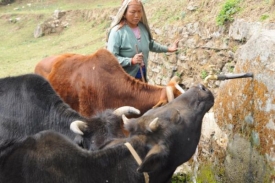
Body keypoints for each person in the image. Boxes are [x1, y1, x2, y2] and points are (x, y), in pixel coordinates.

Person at [106, 0, 179, 82]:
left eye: (139, 11)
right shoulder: (117, 32)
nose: (137, 15)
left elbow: (150, 44)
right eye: (132, 12)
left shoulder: (142, 28)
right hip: (125, 81)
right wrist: (131, 61)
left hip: (142, 75)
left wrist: (168, 49)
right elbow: (110, 59)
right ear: (124, 13)